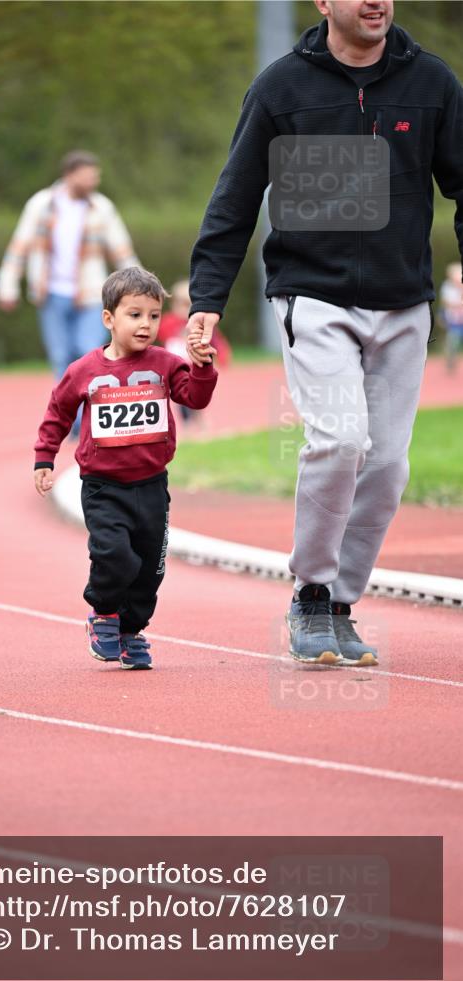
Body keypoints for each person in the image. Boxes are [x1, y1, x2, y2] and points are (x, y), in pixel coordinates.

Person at [187, 0, 463, 666]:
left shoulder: (432, 83)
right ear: (322, 3)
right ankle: (310, 594)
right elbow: (236, 194)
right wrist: (207, 297)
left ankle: (339, 605)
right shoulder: (281, 86)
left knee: (388, 466)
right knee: (340, 440)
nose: (375, 1)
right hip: (312, 297)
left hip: (403, 302)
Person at [33, 266, 218, 669]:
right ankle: (103, 613)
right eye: (134, 315)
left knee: (150, 568)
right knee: (115, 554)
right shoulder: (84, 371)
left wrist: (202, 367)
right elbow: (58, 413)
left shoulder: (166, 363)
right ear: (108, 318)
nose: (146, 324)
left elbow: (195, 398)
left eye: (153, 315)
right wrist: (45, 457)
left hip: (152, 485)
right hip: (103, 486)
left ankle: (132, 630)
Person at [0, 150, 139, 384]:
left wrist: (138, 287)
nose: (93, 182)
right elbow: (19, 247)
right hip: (51, 293)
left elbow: (122, 251)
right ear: (69, 175)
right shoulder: (41, 204)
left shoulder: (101, 207)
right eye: (88, 176)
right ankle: (68, 408)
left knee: (88, 350)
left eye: (95, 176)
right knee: (61, 356)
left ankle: (88, 407)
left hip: (92, 294)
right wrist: (6, 286)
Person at [158, 279, 231, 428]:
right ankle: (186, 423)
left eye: (189, 305)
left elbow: (215, 339)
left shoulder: (200, 323)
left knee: (198, 394)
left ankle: (200, 420)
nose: (185, 309)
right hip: (176, 368)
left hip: (195, 366)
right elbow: (162, 334)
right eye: (182, 304)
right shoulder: (168, 321)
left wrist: (223, 356)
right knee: (179, 395)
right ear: (174, 305)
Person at [439, 262, 463, 373]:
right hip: (454, 321)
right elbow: (446, 303)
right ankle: (450, 362)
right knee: (452, 343)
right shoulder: (447, 287)